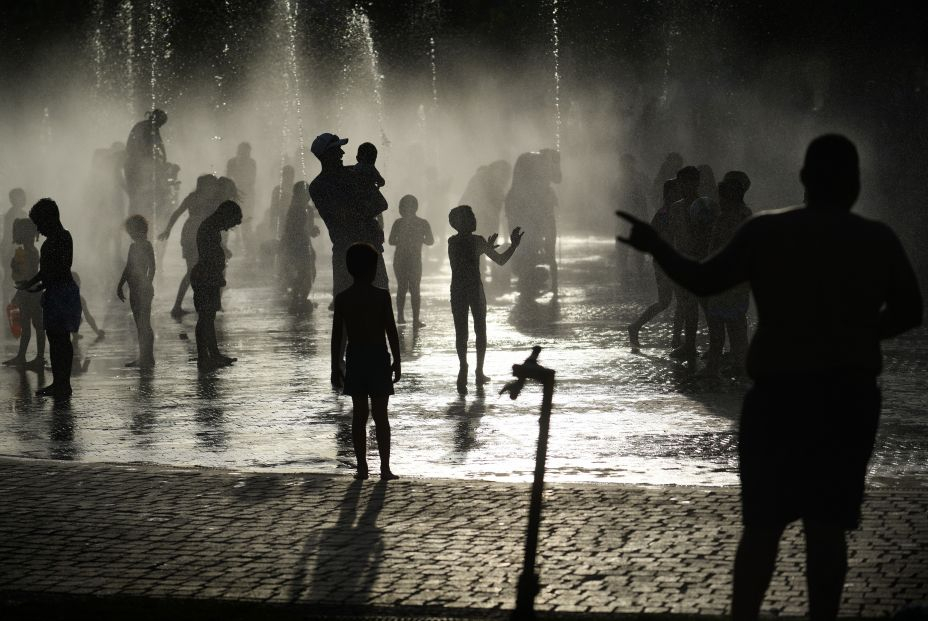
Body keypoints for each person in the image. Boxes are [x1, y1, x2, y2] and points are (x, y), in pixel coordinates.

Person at [617, 134, 923, 621]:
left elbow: (701, 280)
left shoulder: (768, 232)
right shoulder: (875, 239)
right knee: (827, 528)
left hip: (778, 398)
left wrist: (656, 245)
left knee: (761, 526)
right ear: (856, 182)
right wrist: (859, 335)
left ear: (803, 179)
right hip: (846, 397)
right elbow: (910, 309)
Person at [331, 243, 401, 481]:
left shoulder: (343, 299)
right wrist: (398, 360)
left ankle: (362, 467)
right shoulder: (381, 296)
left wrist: (335, 366)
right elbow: (391, 330)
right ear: (373, 269)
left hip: (356, 359)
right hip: (379, 358)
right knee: (381, 416)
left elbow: (337, 336)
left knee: (359, 416)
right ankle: (385, 468)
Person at [448, 205, 523, 394]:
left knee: (467, 331)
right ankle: (470, 369)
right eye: (468, 217)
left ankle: (471, 369)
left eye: (472, 216)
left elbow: (499, 260)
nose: (473, 220)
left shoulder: (465, 241)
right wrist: (489, 248)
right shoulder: (465, 242)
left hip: (461, 290)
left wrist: (512, 245)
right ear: (456, 223)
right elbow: (497, 260)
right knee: (474, 330)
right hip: (471, 289)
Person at [309, 132, 389, 302]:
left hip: (349, 250)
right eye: (337, 150)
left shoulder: (320, 185)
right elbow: (377, 205)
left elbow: (380, 204)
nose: (342, 153)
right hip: (358, 250)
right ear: (326, 155)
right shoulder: (345, 178)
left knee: (355, 310)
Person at [17, 199, 82, 398]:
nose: (39, 229)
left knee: (59, 339)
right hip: (60, 291)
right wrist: (34, 283)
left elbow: (58, 268)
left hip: (60, 293)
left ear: (50, 219)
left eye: (40, 224)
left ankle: (62, 383)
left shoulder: (58, 239)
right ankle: (61, 383)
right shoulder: (61, 238)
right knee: (58, 339)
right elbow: (49, 271)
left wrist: (39, 283)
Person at [704, 173, 753, 374]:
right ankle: (738, 364)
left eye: (722, 196)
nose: (720, 200)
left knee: (720, 324)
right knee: (736, 324)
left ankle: (716, 366)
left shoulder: (732, 217)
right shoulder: (744, 215)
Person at [627, 179, 681, 351]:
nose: (679, 194)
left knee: (670, 301)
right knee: (674, 301)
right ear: (669, 194)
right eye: (676, 191)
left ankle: (638, 327)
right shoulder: (665, 213)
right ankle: (675, 339)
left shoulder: (671, 211)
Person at [190, 200, 242, 370]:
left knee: (209, 318)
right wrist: (216, 275)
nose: (228, 228)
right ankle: (204, 357)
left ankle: (213, 354)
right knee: (205, 317)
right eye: (230, 223)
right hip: (205, 278)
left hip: (208, 277)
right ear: (225, 215)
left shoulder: (211, 227)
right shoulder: (209, 228)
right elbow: (208, 257)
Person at [667, 165, 711, 364]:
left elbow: (709, 234)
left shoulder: (706, 206)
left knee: (708, 306)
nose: (685, 186)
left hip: (702, 260)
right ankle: (690, 344)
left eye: (689, 182)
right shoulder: (676, 207)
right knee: (687, 306)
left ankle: (715, 346)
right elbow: (673, 234)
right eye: (682, 183)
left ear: (697, 182)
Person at [159, 174, 219, 318]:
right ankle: (179, 306)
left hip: (196, 235)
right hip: (193, 236)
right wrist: (167, 229)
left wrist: (168, 229)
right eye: (211, 185)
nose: (213, 188)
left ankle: (185, 305)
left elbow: (177, 214)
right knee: (193, 271)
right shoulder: (200, 199)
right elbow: (177, 213)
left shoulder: (201, 199)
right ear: (204, 186)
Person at [3, 218, 45, 370]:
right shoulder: (28, 251)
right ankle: (23, 356)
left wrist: (15, 267)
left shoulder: (29, 252)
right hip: (30, 292)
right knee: (28, 325)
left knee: (37, 325)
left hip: (31, 293)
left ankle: (39, 357)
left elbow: (24, 275)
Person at [116, 215, 156, 368]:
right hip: (135, 289)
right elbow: (128, 267)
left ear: (139, 230)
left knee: (144, 324)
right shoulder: (134, 247)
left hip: (142, 289)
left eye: (131, 231)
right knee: (140, 324)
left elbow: (152, 267)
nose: (130, 234)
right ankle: (144, 357)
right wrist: (120, 285)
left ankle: (148, 357)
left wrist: (147, 283)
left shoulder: (146, 246)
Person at [388, 194, 434, 326]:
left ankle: (400, 317)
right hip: (415, 259)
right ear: (416, 207)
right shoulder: (423, 223)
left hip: (400, 258)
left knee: (401, 287)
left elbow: (391, 241)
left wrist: (402, 241)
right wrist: (419, 239)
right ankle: (415, 320)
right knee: (415, 288)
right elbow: (430, 241)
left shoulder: (398, 223)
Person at [279, 181, 320, 312]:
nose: (308, 196)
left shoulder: (305, 208)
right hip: (298, 246)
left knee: (307, 273)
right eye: (305, 193)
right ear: (297, 194)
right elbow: (294, 229)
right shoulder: (296, 209)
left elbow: (305, 228)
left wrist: (312, 230)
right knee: (306, 273)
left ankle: (299, 298)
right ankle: (298, 299)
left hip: (302, 244)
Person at [124, 109, 168, 223]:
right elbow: (143, 147)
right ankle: (134, 222)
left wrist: (162, 159)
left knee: (139, 196)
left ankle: (138, 220)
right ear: (156, 119)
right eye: (160, 123)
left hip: (135, 165)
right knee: (137, 196)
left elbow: (160, 145)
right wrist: (160, 161)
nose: (160, 127)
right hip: (134, 166)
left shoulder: (150, 127)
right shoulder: (146, 127)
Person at [226, 142, 257, 253]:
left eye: (248, 153)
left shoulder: (252, 163)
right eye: (244, 152)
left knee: (246, 220)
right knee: (233, 218)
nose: (246, 155)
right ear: (239, 151)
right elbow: (228, 178)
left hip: (247, 194)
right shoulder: (232, 162)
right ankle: (237, 240)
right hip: (236, 192)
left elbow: (252, 179)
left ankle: (247, 245)